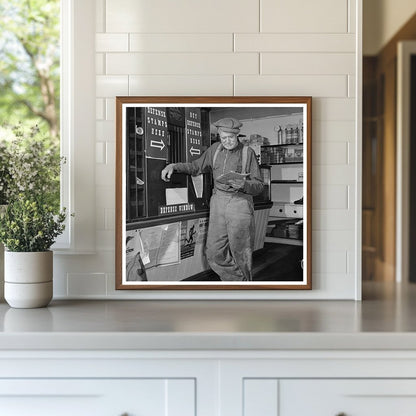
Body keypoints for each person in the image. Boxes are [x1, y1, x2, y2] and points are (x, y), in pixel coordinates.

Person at [161, 117, 264, 281]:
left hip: (240, 203)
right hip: (218, 202)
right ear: (219, 137)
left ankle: (243, 291)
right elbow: (195, 167)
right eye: (223, 138)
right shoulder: (214, 150)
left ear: (237, 135)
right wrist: (174, 166)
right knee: (213, 252)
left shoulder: (247, 152)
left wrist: (244, 184)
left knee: (241, 251)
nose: (227, 141)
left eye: (230, 138)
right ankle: (239, 281)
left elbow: (259, 185)